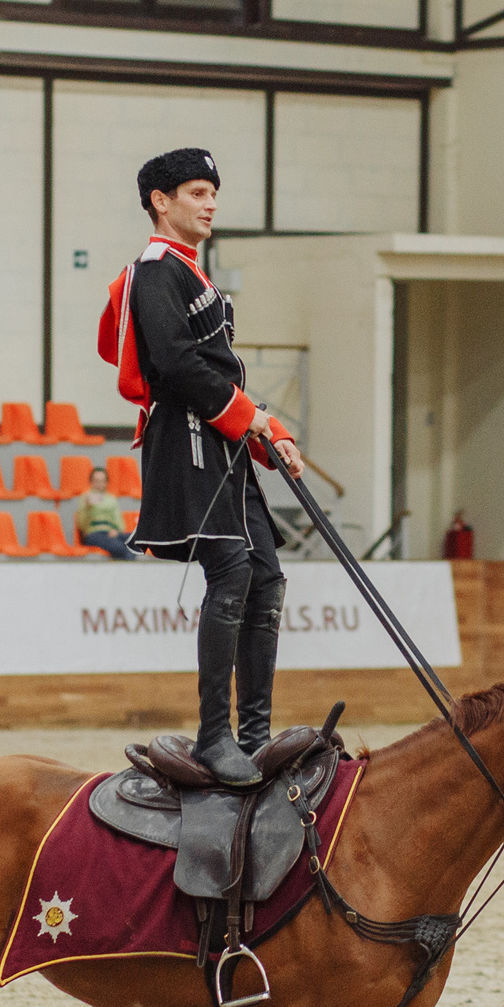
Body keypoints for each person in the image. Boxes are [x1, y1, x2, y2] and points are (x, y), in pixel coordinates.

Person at [97, 147, 305, 788]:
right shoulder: (157, 271)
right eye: (195, 192)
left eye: (212, 191)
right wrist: (252, 419)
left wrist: (264, 430)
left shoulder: (193, 274)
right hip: (187, 441)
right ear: (161, 201)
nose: (210, 202)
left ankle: (254, 736)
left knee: (266, 578)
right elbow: (180, 367)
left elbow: (211, 370)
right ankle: (216, 736)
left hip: (222, 442)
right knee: (234, 569)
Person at [72, 465, 139, 560]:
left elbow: (119, 522)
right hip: (94, 534)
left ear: (106, 482)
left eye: (102, 481)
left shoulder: (111, 499)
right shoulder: (85, 497)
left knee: (136, 541)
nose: (99, 484)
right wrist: (88, 507)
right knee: (122, 549)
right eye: (96, 481)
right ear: (91, 482)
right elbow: (82, 525)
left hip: (112, 533)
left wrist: (117, 531)